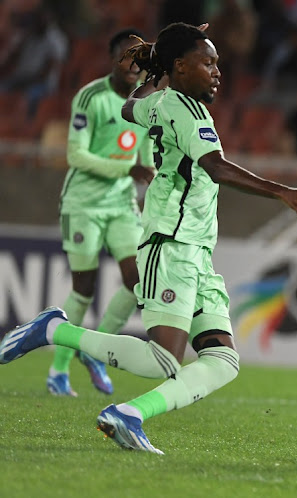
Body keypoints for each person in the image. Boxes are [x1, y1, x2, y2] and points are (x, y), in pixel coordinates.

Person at [0, 22, 297, 454]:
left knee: (223, 361)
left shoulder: (162, 102)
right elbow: (216, 167)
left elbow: (131, 107)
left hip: (197, 252)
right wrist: (283, 190)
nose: (217, 71)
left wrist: (155, 73)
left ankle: (129, 414)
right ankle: (55, 330)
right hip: (171, 243)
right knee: (163, 360)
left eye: (217, 63)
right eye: (207, 63)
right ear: (182, 67)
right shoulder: (186, 110)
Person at [48, 28, 156, 398]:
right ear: (114, 58)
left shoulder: (146, 101)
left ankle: (96, 351)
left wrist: (148, 180)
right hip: (83, 204)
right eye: (126, 55)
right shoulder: (90, 96)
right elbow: (76, 155)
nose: (132, 63)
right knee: (84, 288)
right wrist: (125, 169)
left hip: (121, 204)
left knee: (137, 281)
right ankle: (58, 371)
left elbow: (143, 158)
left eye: (139, 56)